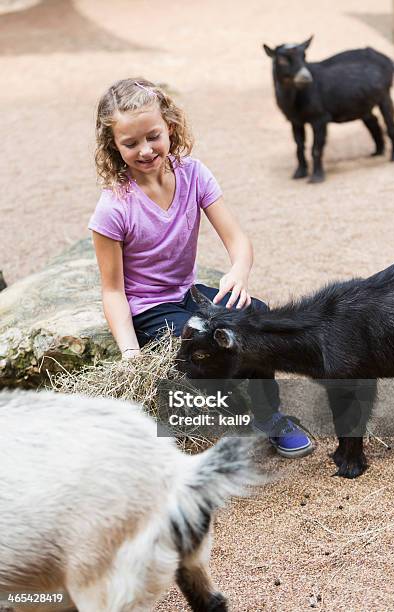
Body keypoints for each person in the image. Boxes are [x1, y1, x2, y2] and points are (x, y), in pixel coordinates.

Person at [88, 77, 313, 458]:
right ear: (114, 145)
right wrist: (130, 352)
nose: (145, 150)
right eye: (130, 143)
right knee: (209, 340)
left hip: (189, 293)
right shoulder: (113, 208)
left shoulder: (193, 173)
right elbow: (112, 290)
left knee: (258, 316)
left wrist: (238, 271)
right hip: (150, 310)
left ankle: (267, 414)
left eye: (152, 136)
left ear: (170, 127)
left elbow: (237, 240)